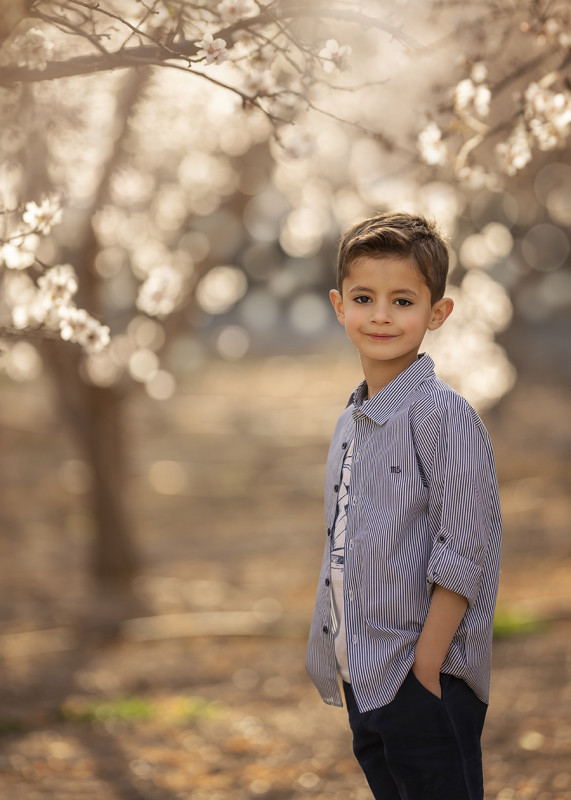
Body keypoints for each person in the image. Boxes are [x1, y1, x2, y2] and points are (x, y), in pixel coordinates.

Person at [306, 211, 502, 800]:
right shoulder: (350, 423)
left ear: (436, 313)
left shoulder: (444, 417)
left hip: (423, 677)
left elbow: (464, 549)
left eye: (403, 300)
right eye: (365, 298)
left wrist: (425, 668)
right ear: (340, 306)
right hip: (362, 672)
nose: (382, 315)